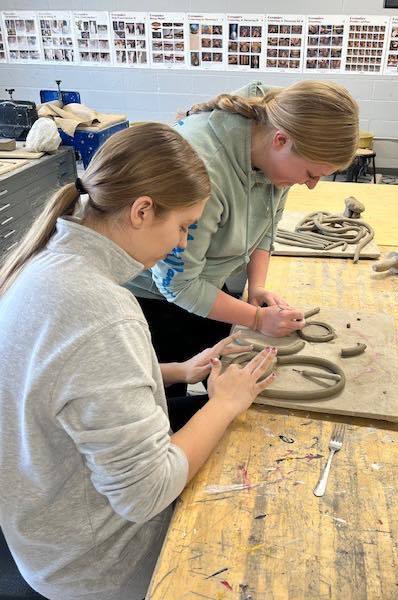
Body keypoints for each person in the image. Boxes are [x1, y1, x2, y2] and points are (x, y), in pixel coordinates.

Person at [0, 124, 276, 600]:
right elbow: (144, 493)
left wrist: (175, 371)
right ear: (142, 210)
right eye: (184, 226)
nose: (181, 244)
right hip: (94, 565)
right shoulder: (100, 311)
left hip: (45, 530)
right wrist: (223, 404)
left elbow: (62, 390)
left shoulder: (48, 255)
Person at [127, 80, 359, 396]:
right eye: (310, 174)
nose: (312, 185)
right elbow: (177, 285)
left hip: (204, 284)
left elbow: (267, 226)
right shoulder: (203, 169)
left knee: (217, 367)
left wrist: (258, 288)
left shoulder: (273, 148)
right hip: (151, 301)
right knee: (165, 397)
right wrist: (258, 318)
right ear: (281, 140)